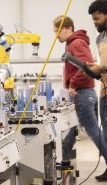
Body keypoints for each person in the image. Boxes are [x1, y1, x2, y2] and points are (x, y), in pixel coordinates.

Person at [53, 15, 107, 182]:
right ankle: (66, 166)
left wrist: (73, 85)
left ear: (68, 28)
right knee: (71, 133)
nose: (56, 36)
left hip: (82, 94)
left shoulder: (76, 43)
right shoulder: (73, 43)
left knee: (93, 132)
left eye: (57, 31)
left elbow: (86, 66)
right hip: (82, 94)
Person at [88, 0, 107, 181]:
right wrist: (94, 69)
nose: (95, 22)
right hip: (104, 90)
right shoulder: (99, 38)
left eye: (97, 18)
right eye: (93, 19)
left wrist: (101, 69)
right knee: (106, 133)